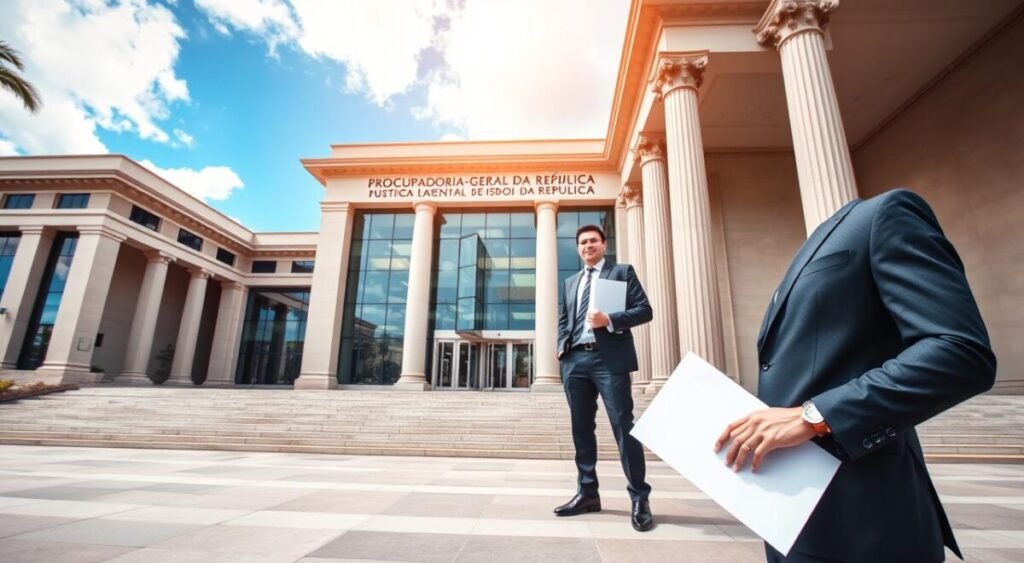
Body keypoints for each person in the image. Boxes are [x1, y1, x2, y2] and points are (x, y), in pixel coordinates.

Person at [714, 189, 997, 562]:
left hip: (866, 520)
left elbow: (961, 351)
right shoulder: (807, 251)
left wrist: (814, 415)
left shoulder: (886, 212)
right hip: (794, 513)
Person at [554, 224, 654, 531]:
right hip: (575, 361)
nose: (588, 246)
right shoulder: (570, 282)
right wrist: (562, 349)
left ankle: (640, 498)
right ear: (578, 248)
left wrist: (610, 319)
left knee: (623, 426)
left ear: (603, 244)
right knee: (581, 430)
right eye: (583, 242)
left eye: (593, 241)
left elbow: (645, 310)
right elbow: (563, 319)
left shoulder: (621, 272)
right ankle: (587, 493)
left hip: (608, 359)